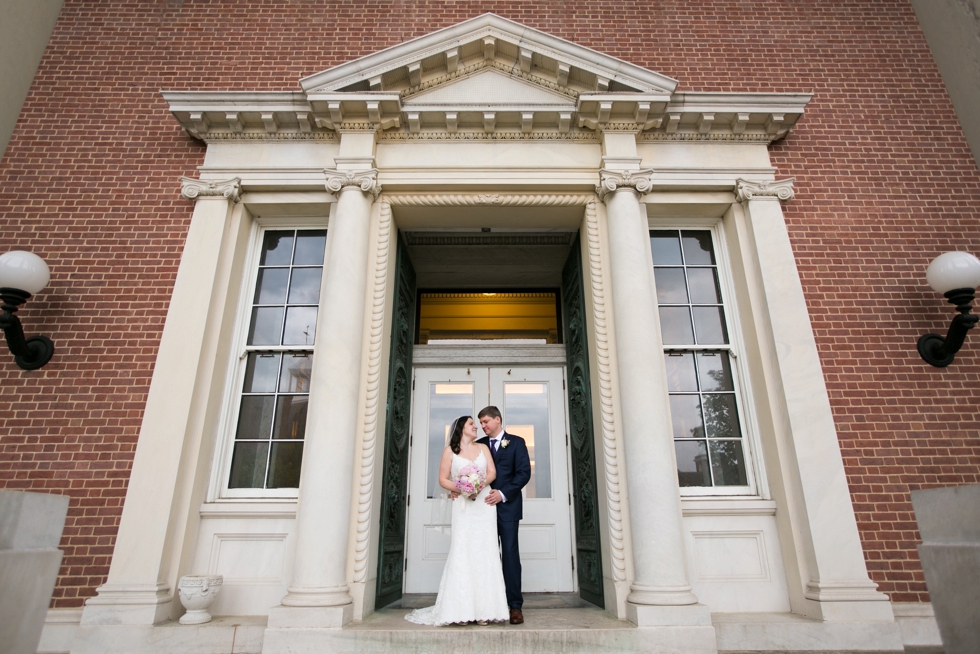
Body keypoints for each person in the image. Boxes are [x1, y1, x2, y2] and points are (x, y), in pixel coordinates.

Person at [405, 415, 510, 626]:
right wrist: (462, 487)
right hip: (463, 508)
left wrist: (477, 486)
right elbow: (443, 479)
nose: (477, 427)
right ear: (462, 428)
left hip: (484, 506)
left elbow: (491, 472)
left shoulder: (483, 448)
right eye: (472, 424)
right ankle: (461, 610)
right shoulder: (449, 452)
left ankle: (484, 611)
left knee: (485, 552)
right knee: (462, 552)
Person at [477, 405, 532, 625]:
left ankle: (515, 606)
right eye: (480, 423)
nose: (483, 426)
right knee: (486, 556)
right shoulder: (478, 445)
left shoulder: (517, 442)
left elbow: (523, 474)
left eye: (486, 422)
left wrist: (502, 493)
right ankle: (487, 604)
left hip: (508, 508)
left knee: (509, 556)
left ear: (498, 420)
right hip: (481, 509)